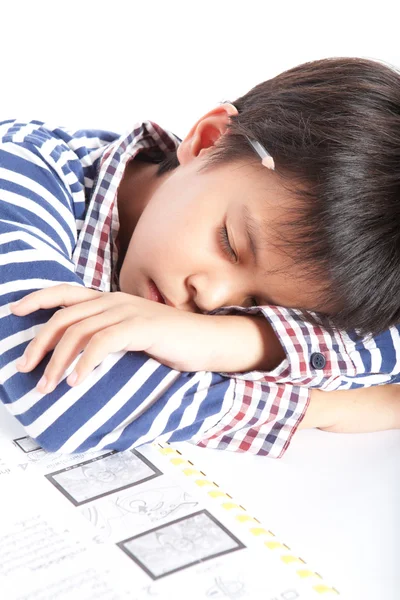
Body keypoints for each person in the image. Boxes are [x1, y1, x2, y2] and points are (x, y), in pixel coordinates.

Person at [2, 56, 400, 458]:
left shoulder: (232, 196)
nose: (212, 299)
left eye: (258, 306)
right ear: (209, 140)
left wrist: (235, 340)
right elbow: (66, 403)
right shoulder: (22, 170)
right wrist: (337, 408)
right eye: (229, 244)